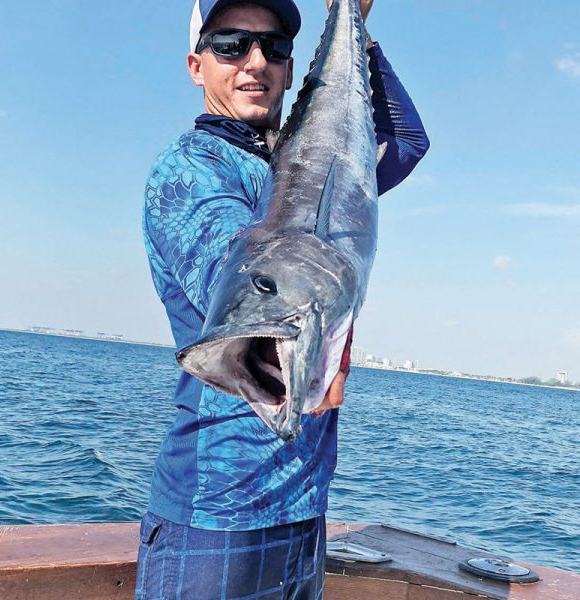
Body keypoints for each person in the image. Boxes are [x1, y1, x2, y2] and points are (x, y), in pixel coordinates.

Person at [137, 1, 429, 598]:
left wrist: (356, 26)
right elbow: (240, 268)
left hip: (302, 506)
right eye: (230, 44)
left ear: (293, 69)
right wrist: (316, 329)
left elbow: (404, 140)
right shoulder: (189, 171)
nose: (254, 61)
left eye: (272, 48)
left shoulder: (306, 166)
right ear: (196, 65)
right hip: (218, 517)